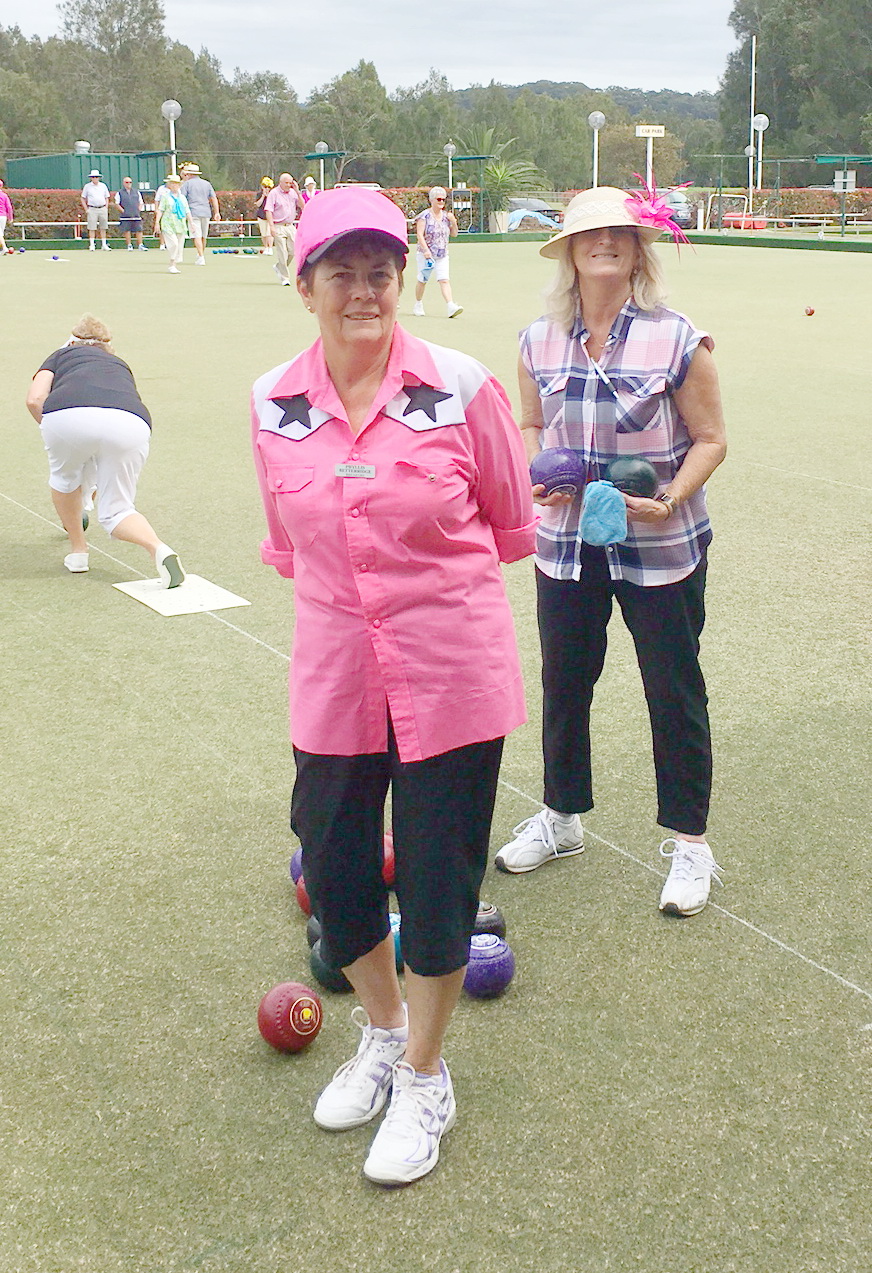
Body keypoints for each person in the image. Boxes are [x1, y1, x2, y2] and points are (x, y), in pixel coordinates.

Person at [251, 187, 535, 1185]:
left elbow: (507, 522)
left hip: (449, 670)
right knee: (332, 871)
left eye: (381, 270)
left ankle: (423, 1072)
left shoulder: (460, 384)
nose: (363, 289)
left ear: (401, 278)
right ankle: (378, 1029)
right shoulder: (269, 403)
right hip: (334, 673)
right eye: (342, 271)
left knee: (437, 883)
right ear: (306, 284)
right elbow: (286, 545)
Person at [496, 184, 728, 918]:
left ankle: (691, 844)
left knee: (673, 689)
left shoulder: (678, 337)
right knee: (565, 683)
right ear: (568, 250)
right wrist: (542, 473)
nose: (605, 243)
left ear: (637, 250)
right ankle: (562, 818)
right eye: (591, 235)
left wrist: (668, 498)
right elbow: (531, 424)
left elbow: (713, 438)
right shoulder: (537, 339)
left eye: (620, 235)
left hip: (659, 544)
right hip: (567, 545)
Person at [25, 313, 185, 586]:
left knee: (64, 480)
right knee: (119, 509)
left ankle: (78, 552)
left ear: (72, 340)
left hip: (68, 414)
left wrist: (55, 430)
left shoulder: (60, 355)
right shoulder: (118, 363)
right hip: (131, 421)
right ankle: (157, 547)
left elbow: (35, 399)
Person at [413, 186, 462, 319]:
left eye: (443, 200)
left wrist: (453, 222)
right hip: (426, 255)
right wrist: (426, 251)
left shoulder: (446, 217)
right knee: (423, 280)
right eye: (439, 199)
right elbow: (419, 234)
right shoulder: (425, 216)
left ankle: (450, 305)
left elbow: (454, 234)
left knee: (444, 280)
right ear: (432, 200)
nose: (441, 202)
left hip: (442, 254)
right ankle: (418, 303)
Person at [263, 172, 301, 286]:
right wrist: (271, 226)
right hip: (278, 225)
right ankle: (285, 277)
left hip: (290, 226)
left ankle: (279, 267)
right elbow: (268, 210)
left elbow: (302, 206)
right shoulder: (274, 193)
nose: (288, 185)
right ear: (280, 183)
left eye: (290, 183)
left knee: (292, 251)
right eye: (286, 183)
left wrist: (298, 191)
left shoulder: (293, 193)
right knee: (282, 252)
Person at [180, 164, 220, 265]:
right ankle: (201, 254)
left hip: (193, 212)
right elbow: (213, 198)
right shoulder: (206, 184)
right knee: (203, 235)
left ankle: (201, 256)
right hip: (206, 212)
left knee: (196, 235)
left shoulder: (186, 184)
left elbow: (182, 199)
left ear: (188, 174)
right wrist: (217, 212)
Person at [153, 174, 193, 274]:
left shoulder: (182, 198)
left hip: (180, 223)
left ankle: (174, 264)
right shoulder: (165, 197)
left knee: (179, 245)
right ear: (169, 185)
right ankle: (172, 264)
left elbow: (187, 211)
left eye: (176, 184)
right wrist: (157, 222)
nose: (174, 186)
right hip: (168, 224)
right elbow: (160, 210)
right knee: (174, 244)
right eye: (172, 184)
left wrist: (191, 223)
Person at [80, 170, 111, 251]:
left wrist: (106, 207)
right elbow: (83, 198)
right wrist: (86, 209)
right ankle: (92, 245)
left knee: (103, 227)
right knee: (92, 227)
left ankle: (104, 244)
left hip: (102, 208)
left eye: (96, 177)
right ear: (91, 178)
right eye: (93, 177)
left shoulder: (103, 186)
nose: (95, 179)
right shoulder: (87, 186)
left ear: (99, 178)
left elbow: (107, 197)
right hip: (92, 209)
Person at [115, 177, 147, 251]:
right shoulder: (119, 192)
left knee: (139, 230)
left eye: (130, 182)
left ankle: (140, 245)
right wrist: (123, 211)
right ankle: (129, 245)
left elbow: (141, 202)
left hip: (136, 215)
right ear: (123, 183)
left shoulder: (136, 192)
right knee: (127, 230)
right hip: (125, 216)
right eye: (127, 182)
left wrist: (138, 209)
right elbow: (117, 204)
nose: (128, 184)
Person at [254, 177, 274, 254]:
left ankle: (270, 248)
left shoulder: (273, 195)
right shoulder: (259, 194)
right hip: (261, 216)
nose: (267, 189)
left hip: (270, 216)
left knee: (269, 233)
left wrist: (268, 196)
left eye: (269, 187)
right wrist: (263, 196)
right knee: (264, 233)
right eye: (265, 187)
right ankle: (266, 247)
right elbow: (257, 204)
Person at [0, 178, 13, 254]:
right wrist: (10, 218)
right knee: (0, 233)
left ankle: (4, 248)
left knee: (0, 234)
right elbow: (9, 207)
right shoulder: (4, 195)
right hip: (3, 217)